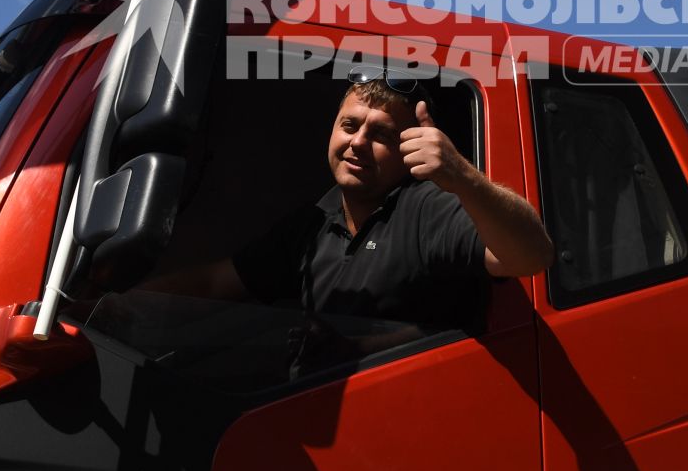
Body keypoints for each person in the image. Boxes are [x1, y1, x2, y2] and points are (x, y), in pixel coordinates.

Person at [232, 74, 554, 334]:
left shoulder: (427, 210)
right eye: (349, 126)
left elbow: (531, 256)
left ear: (411, 150)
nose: (358, 142)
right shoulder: (312, 220)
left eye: (382, 135)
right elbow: (216, 283)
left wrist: (462, 176)